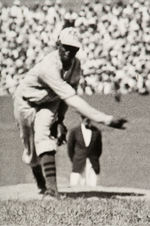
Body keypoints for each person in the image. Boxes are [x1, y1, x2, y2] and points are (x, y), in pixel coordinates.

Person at [13, 27, 127, 197]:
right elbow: (72, 99)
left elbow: (68, 93)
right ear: (57, 45)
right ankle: (41, 184)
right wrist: (106, 120)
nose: (69, 52)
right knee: (31, 151)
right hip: (26, 104)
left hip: (50, 102)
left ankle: (52, 190)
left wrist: (60, 120)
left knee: (44, 138)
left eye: (73, 49)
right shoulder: (49, 66)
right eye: (65, 47)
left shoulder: (76, 65)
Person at [68, 115, 102, 187]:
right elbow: (70, 148)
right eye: (84, 117)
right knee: (75, 184)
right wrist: (75, 159)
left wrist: (94, 157)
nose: (86, 119)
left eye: (88, 117)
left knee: (93, 185)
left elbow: (99, 149)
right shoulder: (74, 131)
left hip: (93, 163)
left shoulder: (96, 132)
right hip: (78, 163)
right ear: (80, 118)